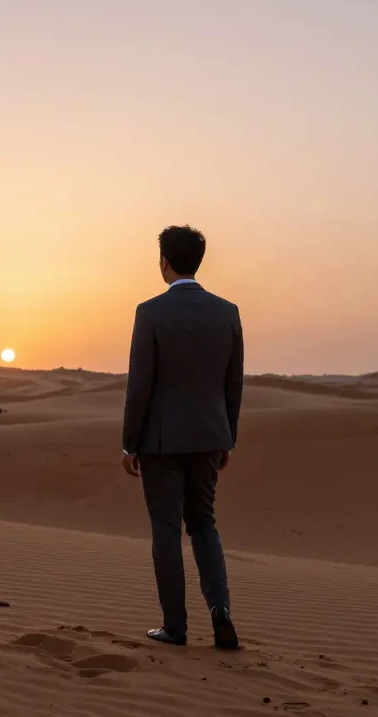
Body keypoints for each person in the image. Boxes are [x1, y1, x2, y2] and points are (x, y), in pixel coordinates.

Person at [121, 225, 243, 650]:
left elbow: (141, 383)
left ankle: (175, 626)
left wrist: (129, 442)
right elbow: (233, 381)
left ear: (165, 262)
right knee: (205, 524)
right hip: (210, 434)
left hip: (161, 439)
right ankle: (221, 610)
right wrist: (227, 436)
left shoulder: (150, 312)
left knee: (166, 529)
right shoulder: (227, 312)